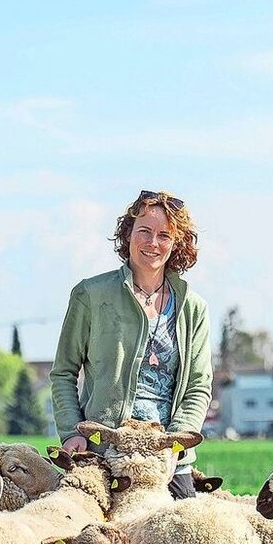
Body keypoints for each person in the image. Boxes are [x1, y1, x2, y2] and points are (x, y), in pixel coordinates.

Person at [51, 189, 212, 498]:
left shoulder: (194, 308)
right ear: (128, 235)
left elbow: (198, 385)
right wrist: (72, 432)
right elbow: (63, 373)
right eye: (145, 232)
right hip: (105, 455)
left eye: (164, 235)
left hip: (167, 462)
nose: (153, 243)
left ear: (176, 243)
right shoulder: (90, 295)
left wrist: (173, 446)